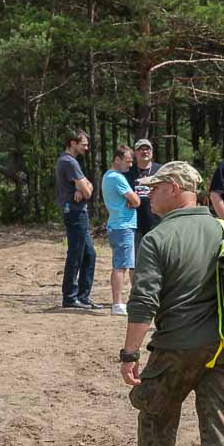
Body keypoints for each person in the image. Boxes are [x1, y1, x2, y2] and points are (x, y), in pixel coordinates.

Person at [117, 161, 224, 446]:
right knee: (221, 429)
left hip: (174, 349)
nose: (148, 195)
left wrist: (130, 354)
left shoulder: (157, 238)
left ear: (174, 188)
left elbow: (143, 303)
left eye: (155, 188)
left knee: (156, 419)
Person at [56, 129, 97, 310]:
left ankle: (83, 296)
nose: (86, 148)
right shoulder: (69, 162)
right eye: (84, 144)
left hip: (78, 212)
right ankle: (70, 297)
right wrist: (83, 188)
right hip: (74, 213)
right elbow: (88, 192)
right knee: (76, 253)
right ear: (73, 143)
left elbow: (90, 186)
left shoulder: (70, 161)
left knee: (89, 254)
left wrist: (83, 188)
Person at [100, 145, 139, 317]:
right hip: (122, 226)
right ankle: (117, 304)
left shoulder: (108, 176)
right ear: (117, 159)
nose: (130, 165)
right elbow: (136, 201)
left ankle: (121, 302)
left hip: (119, 225)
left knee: (124, 264)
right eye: (128, 161)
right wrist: (133, 199)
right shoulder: (117, 178)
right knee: (121, 266)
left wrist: (131, 199)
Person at [130, 138, 160, 244]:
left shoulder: (160, 170)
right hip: (135, 224)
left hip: (156, 222)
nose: (145, 151)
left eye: (147, 149)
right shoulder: (129, 171)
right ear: (135, 153)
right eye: (141, 149)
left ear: (152, 151)